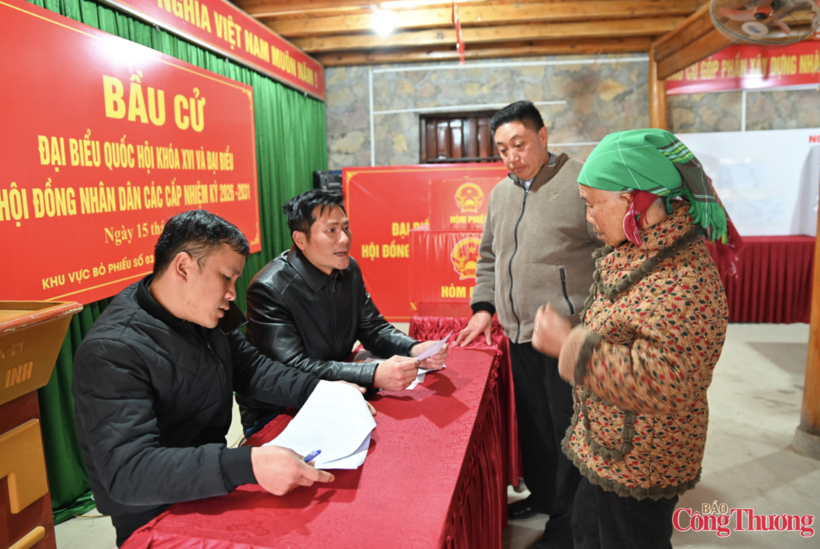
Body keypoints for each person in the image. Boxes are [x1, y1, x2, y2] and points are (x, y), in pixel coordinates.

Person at [72, 210, 366, 547]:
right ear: (183, 267)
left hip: (212, 483)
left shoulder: (209, 311)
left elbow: (252, 368)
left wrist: (320, 391)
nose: (231, 293)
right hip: (156, 514)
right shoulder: (112, 351)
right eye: (226, 278)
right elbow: (129, 473)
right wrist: (248, 463)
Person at [532, 128, 738, 549]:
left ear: (635, 200)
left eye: (593, 205)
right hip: (608, 445)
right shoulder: (636, 246)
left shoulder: (685, 279)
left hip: (643, 458)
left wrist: (570, 345)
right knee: (587, 533)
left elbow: (667, 381)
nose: (588, 218)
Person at [455, 100, 598, 549]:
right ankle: (544, 496)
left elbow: (610, 254)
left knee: (569, 430)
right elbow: (488, 258)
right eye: (502, 150)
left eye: (519, 143)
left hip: (563, 336)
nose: (512, 156)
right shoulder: (501, 194)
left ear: (543, 136)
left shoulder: (581, 183)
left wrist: (583, 319)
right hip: (517, 336)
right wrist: (484, 309)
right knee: (535, 427)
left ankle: (567, 525)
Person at [237, 189, 447, 435]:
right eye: (331, 231)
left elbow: (373, 328)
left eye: (346, 228)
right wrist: (374, 374)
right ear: (300, 239)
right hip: (280, 409)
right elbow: (293, 367)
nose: (344, 239)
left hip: (340, 386)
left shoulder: (349, 270)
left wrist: (414, 348)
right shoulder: (269, 288)